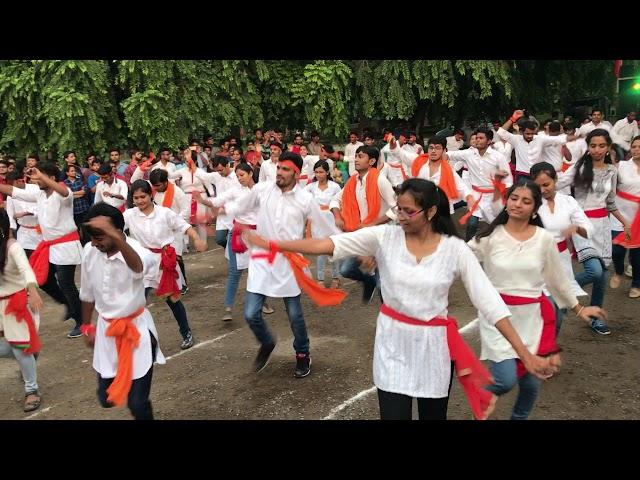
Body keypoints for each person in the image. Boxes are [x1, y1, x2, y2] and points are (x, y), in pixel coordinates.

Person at [244, 178, 558, 420]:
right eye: (397, 209)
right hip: (392, 346)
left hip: (435, 349)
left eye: (408, 211)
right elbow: (329, 244)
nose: (400, 216)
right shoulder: (384, 237)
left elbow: (490, 303)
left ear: (431, 212)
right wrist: (274, 243)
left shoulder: (454, 250)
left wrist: (525, 354)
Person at [470, 178, 606, 419]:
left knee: (532, 384)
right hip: (498, 318)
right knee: (505, 380)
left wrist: (578, 309)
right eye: (514, 198)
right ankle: (481, 394)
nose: (518, 205)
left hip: (532, 319)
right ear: (507, 201)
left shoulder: (543, 239)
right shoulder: (490, 236)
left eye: (526, 201)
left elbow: (557, 280)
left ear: (535, 209)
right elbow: (458, 257)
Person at [224, 152, 345, 378]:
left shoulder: (305, 199)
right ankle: (267, 342)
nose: (279, 172)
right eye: (278, 168)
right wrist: (213, 208)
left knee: (294, 315)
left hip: (289, 262)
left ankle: (302, 353)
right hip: (262, 259)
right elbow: (239, 206)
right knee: (251, 314)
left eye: (285, 169)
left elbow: (325, 228)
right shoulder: (263, 189)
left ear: (297, 174)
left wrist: (350, 244)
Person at [80, 203, 165, 420]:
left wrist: (113, 236)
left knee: (137, 405)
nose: (94, 243)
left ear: (118, 232)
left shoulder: (140, 253)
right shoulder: (90, 251)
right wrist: (87, 326)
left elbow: (137, 267)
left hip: (136, 334)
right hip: (106, 333)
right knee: (106, 399)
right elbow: (87, 293)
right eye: (92, 237)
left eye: (100, 237)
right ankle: (126, 381)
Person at [556, 129, 627, 335]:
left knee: (602, 276)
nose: (597, 150)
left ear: (608, 148)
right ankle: (560, 293)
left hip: (603, 226)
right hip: (581, 224)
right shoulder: (578, 168)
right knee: (594, 271)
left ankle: (596, 317)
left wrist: (625, 223)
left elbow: (610, 201)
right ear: (588, 147)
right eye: (593, 145)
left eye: (601, 146)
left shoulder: (612, 171)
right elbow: (555, 183)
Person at [0, 164, 84, 338]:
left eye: (39, 177)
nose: (35, 180)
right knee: (44, 280)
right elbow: (13, 191)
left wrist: (40, 175)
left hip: (66, 246)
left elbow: (63, 192)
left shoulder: (63, 193)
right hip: (49, 246)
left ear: (52, 178)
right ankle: (68, 304)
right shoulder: (39, 194)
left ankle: (81, 321)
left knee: (66, 283)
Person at [124, 180, 207, 349]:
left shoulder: (164, 213)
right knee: (137, 301)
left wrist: (197, 239)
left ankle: (186, 333)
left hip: (164, 262)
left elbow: (184, 227)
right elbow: (114, 226)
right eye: (136, 198)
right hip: (143, 263)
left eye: (143, 197)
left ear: (151, 195)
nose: (140, 201)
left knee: (173, 300)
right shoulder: (129, 215)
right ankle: (138, 338)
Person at [329, 145, 397, 303]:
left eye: (360, 156)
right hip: (360, 235)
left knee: (383, 284)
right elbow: (334, 200)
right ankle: (369, 282)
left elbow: (396, 208)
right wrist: (337, 216)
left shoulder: (380, 180)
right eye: (356, 156)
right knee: (346, 269)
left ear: (372, 161)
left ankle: (390, 317)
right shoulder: (353, 181)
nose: (356, 159)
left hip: (381, 236)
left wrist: (373, 224)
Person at [530, 162, 591, 334]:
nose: (542, 190)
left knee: (560, 311)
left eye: (546, 184)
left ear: (556, 180)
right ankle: (535, 351)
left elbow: (588, 227)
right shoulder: (528, 203)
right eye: (537, 186)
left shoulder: (568, 201)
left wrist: (578, 228)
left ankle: (547, 348)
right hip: (536, 262)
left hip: (562, 261)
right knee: (547, 310)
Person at [194, 163, 261, 321]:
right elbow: (217, 202)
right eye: (237, 176)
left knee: (258, 270)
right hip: (238, 234)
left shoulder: (261, 190)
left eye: (242, 175)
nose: (239, 178)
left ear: (251, 173)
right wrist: (202, 200)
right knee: (235, 272)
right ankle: (228, 307)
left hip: (257, 235)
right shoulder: (235, 190)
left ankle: (261, 303)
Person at [0, 208, 44, 412]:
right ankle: (29, 355)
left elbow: (26, 269)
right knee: (18, 350)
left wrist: (33, 290)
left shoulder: (12, 247)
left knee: (20, 347)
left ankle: (31, 390)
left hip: (18, 302)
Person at [443, 128, 513, 240]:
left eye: (481, 138)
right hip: (475, 195)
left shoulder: (498, 157)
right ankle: (469, 246)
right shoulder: (469, 154)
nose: (477, 140)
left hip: (494, 197)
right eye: (476, 138)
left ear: (489, 141)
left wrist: (508, 196)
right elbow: (450, 154)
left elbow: (508, 180)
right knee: (472, 223)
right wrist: (443, 158)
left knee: (497, 225)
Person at [498, 110, 575, 181]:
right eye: (527, 134)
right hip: (522, 175)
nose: (530, 136)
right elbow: (501, 132)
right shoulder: (516, 139)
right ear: (522, 132)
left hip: (537, 175)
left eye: (532, 133)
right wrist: (513, 118)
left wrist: (576, 136)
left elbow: (558, 139)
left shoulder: (540, 139)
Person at [609, 135, 640, 298]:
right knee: (617, 250)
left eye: (639, 147)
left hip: (639, 217)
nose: (636, 149)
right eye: (634, 146)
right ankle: (619, 271)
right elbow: (610, 184)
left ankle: (636, 284)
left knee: (637, 254)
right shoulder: (621, 166)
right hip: (620, 214)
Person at [305, 160, 342, 288]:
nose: (318, 174)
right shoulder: (311, 187)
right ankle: (320, 279)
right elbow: (303, 200)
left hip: (331, 220)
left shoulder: (335, 187)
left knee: (333, 250)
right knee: (320, 251)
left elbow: (340, 203)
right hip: (317, 222)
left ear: (327, 172)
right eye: (316, 172)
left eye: (321, 172)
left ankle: (335, 277)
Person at [5, 172, 41, 256]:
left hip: (39, 230)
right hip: (24, 233)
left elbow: (44, 206)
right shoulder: (11, 195)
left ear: (20, 181)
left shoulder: (36, 189)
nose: (11, 188)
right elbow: (10, 214)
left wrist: (30, 213)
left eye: (12, 184)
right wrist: (11, 233)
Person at [63, 164, 91, 245]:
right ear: (67, 173)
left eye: (74, 170)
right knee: (76, 229)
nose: (74, 172)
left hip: (84, 207)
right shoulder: (64, 183)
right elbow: (66, 195)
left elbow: (83, 192)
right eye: (72, 171)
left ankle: (88, 244)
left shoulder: (80, 180)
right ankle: (79, 244)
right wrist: (73, 194)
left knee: (86, 227)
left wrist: (71, 194)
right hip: (73, 210)